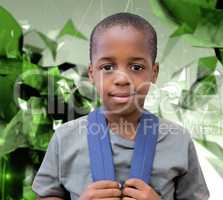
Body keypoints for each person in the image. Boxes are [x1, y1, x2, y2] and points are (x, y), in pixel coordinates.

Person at [32, 12, 209, 200]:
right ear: (91, 73)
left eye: (136, 67)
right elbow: (46, 195)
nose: (122, 79)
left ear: (154, 72)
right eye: (107, 67)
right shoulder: (65, 138)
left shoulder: (178, 140)